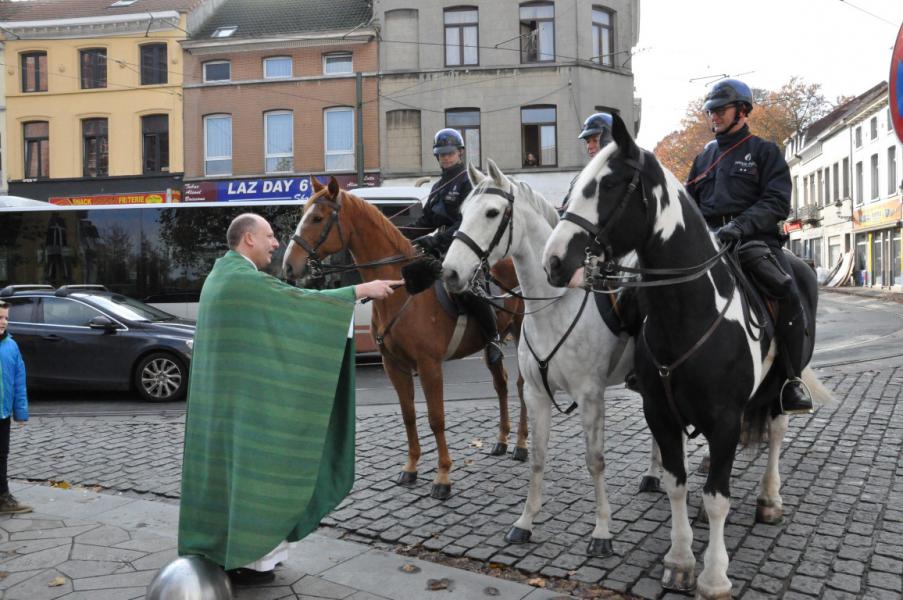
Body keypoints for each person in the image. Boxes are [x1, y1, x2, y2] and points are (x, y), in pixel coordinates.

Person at [178, 213, 401, 587]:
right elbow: (295, 303)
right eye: (269, 236)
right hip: (246, 414)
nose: (276, 243)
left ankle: (238, 552)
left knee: (231, 479)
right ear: (248, 239)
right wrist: (360, 291)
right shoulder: (240, 279)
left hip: (229, 410)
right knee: (256, 474)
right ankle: (247, 559)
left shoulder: (223, 275)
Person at [685, 78, 812, 414]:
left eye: (720, 109)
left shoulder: (764, 152)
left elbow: (776, 201)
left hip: (753, 241)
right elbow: (689, 204)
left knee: (786, 288)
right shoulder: (703, 158)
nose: (713, 116)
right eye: (710, 111)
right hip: (708, 243)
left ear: (742, 110)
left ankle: (791, 379)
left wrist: (738, 227)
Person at [405, 128, 504, 364]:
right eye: (441, 155)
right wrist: (400, 234)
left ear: (460, 153)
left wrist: (435, 239)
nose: (446, 158)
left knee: (466, 287)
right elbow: (427, 221)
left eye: (450, 153)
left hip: (466, 246)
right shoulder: (438, 186)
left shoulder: (470, 182)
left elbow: (466, 223)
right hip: (440, 246)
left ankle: (493, 338)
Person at [0, 300, 31, 515]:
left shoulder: (11, 345)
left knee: (2, 454)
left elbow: (19, 381)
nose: (3, 322)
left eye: (5, 318)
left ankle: (3, 496)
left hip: (2, 413)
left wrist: (20, 412)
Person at [559, 112, 615, 213]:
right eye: (588, 142)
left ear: (608, 140)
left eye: (595, 140)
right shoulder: (581, 177)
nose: (589, 146)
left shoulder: (618, 178)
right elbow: (565, 212)